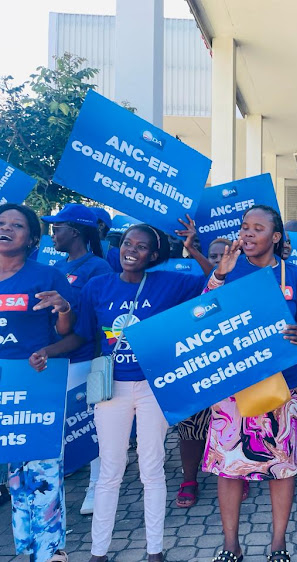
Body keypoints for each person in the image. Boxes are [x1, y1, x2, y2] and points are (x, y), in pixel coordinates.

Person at [42, 223, 206, 562]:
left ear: (154, 255)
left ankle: (154, 550)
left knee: (152, 467)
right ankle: (98, 553)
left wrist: (195, 250)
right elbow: (83, 336)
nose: (132, 250)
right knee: (110, 470)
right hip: (111, 389)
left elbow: (214, 284)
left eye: (142, 246)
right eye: (128, 243)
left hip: (152, 388)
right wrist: (50, 351)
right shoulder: (98, 287)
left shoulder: (170, 283)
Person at [202, 205, 297, 562]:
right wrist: (219, 275)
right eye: (244, 227)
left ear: (276, 236)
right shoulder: (229, 271)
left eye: (257, 228)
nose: (247, 234)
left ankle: (278, 544)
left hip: (281, 388)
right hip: (233, 389)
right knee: (230, 467)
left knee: (281, 468)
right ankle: (231, 545)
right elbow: (201, 318)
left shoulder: (294, 275)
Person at [2, 203, 75, 562]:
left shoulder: (46, 277)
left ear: (32, 238)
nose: (6, 228)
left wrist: (63, 308)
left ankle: (49, 552)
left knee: (42, 469)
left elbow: (69, 332)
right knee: (14, 476)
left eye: (17, 225)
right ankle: (26, 547)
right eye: (1, 223)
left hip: (34, 383)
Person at [41, 204, 113, 516]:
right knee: (59, 429)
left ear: (76, 231)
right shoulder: (56, 266)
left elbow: (103, 319)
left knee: (90, 427)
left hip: (85, 359)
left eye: (58, 227)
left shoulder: (98, 268)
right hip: (55, 361)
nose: (53, 233)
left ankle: (97, 487)